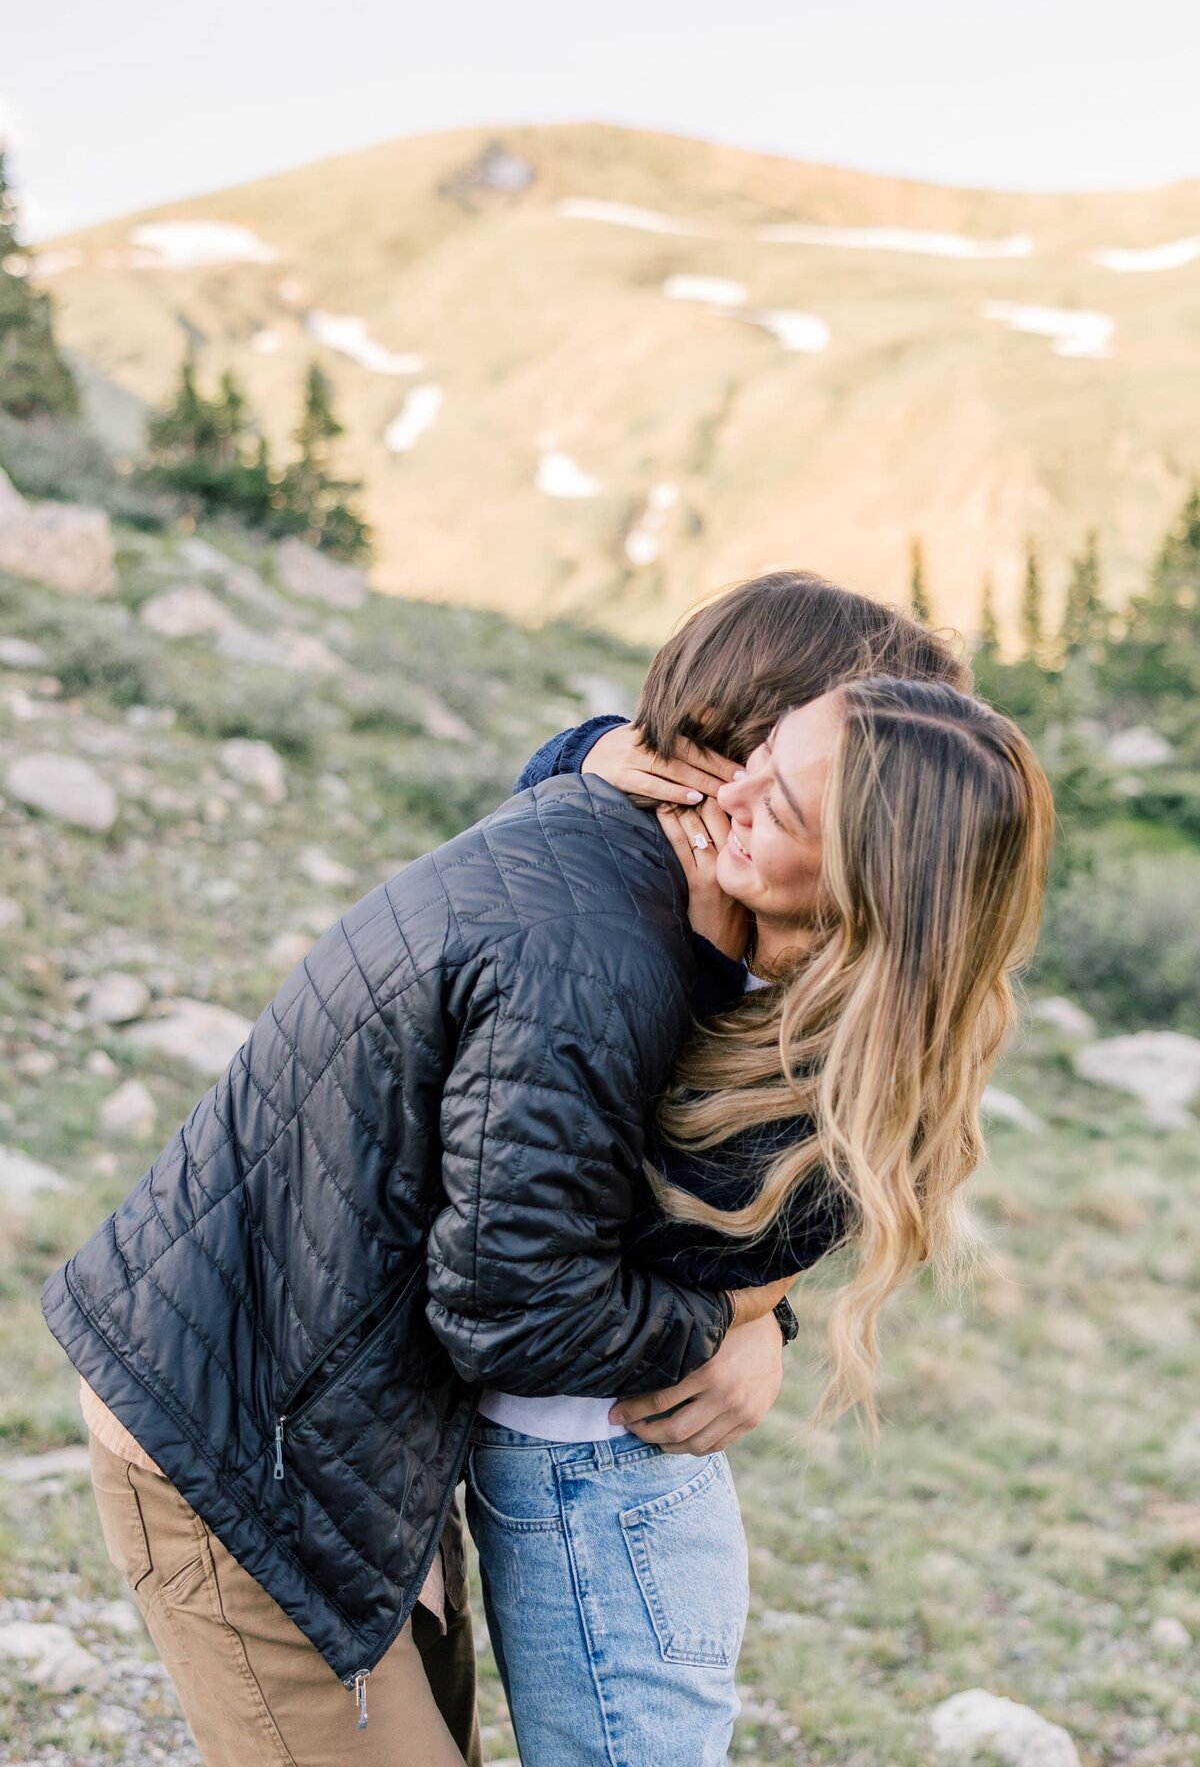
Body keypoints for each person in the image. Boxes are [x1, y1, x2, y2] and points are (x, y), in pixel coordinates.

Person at [42, 570, 970, 1767]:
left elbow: (637, 1215)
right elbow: (523, 1308)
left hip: (337, 1410)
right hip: (245, 1438)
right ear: (731, 764)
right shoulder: (601, 951)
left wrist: (760, 1315)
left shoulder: (621, 862)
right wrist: (731, 1328)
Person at [466, 672, 1053, 1767]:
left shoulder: (838, 1096)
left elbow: (574, 1250)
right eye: (759, 761)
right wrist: (590, 750)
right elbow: (548, 819)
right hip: (571, 1471)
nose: (726, 797)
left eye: (777, 807)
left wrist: (698, 960)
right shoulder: (749, 922)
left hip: (605, 1484)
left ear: (867, 892)